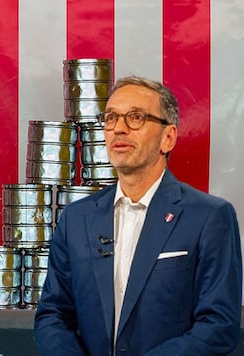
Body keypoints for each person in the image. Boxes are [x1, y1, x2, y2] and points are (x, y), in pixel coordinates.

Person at [34, 75, 242, 355]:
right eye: (111, 118)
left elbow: (219, 325)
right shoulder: (76, 218)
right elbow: (53, 315)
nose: (119, 128)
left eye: (135, 118)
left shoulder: (210, 217)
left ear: (168, 138)